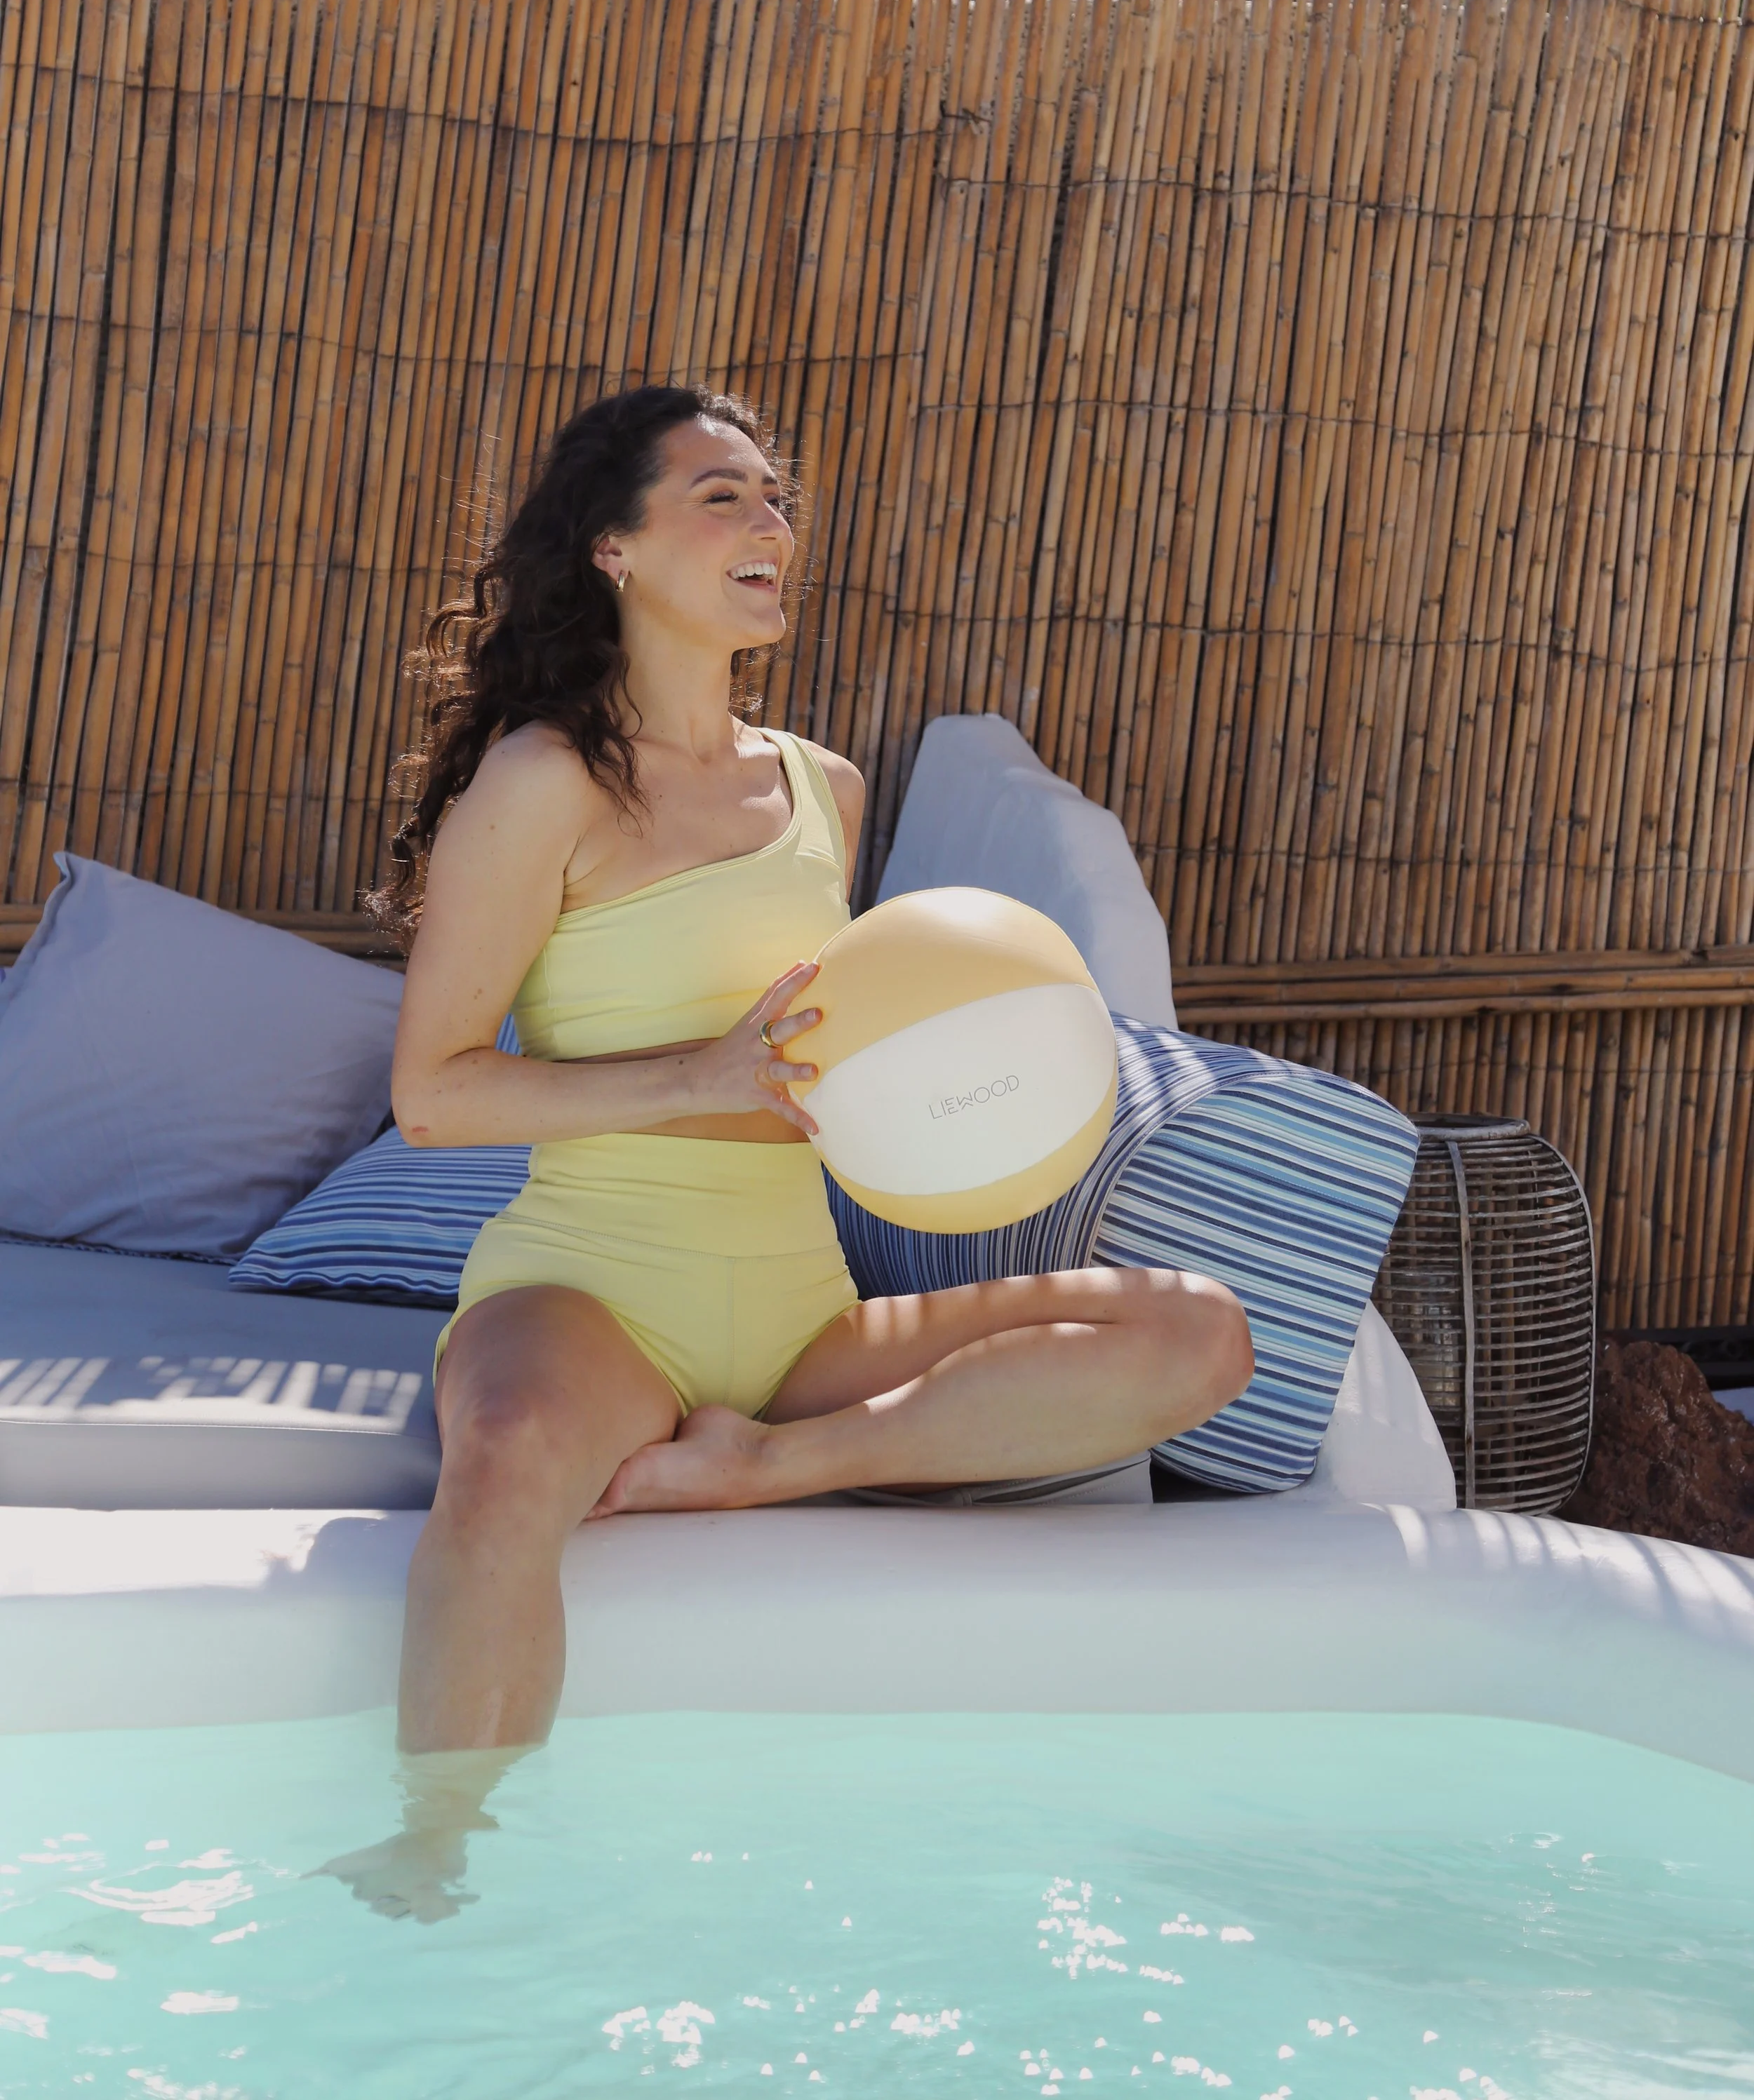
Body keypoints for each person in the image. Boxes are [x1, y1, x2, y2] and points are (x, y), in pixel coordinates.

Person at [327, 383, 1252, 1920]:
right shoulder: (544, 780)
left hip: (798, 1310)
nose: (769, 526)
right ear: (615, 549)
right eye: (719, 497)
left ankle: (774, 1467)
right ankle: (437, 1867)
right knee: (503, 1469)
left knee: (1195, 1333)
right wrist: (700, 1072)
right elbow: (436, 1093)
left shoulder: (822, 788)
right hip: (594, 1290)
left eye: (774, 500)